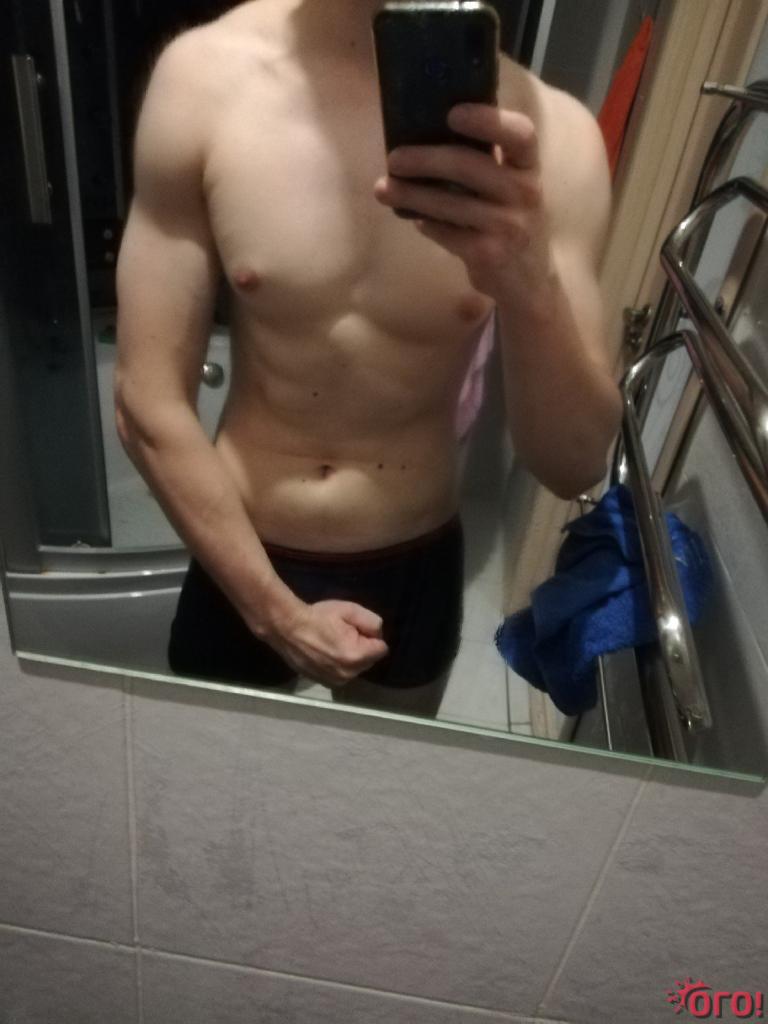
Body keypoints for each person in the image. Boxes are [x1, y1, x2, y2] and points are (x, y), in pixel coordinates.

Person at [114, 0, 623, 703]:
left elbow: (573, 465)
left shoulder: (560, 142)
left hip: (413, 556)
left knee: (381, 778)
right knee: (214, 774)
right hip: (241, 548)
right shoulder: (204, 80)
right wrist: (274, 612)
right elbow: (145, 402)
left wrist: (531, 283)